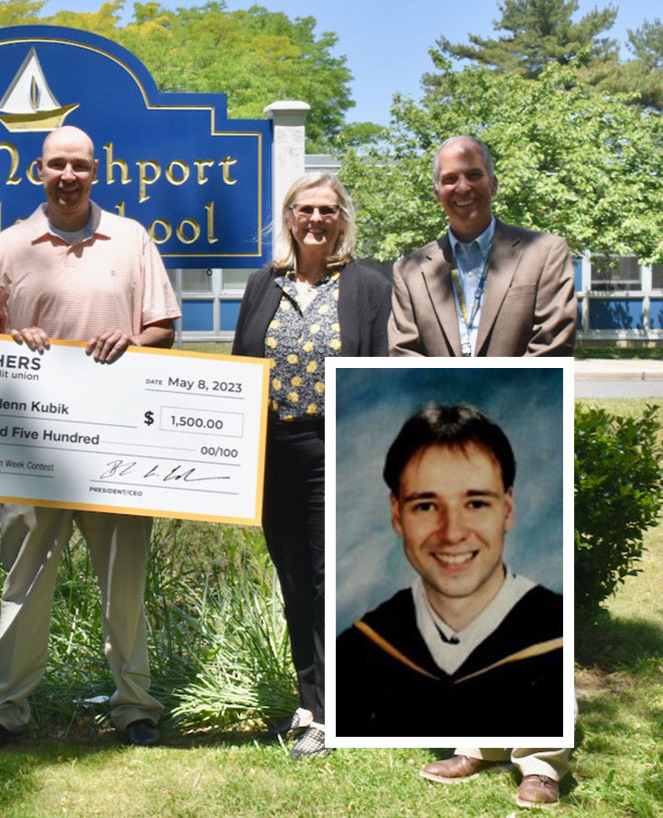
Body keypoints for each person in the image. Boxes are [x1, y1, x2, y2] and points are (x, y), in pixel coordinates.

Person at [0, 125, 180, 756]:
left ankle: (135, 706)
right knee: (23, 582)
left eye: (79, 166)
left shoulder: (132, 240)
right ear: (39, 171)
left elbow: (163, 327)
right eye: (56, 164)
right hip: (32, 450)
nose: (68, 175)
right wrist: (15, 339)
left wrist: (132, 342)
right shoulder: (8, 247)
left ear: (95, 172)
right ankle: (2, 710)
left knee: (125, 580)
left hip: (117, 445)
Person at [231, 172, 391, 758]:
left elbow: (382, 371)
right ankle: (309, 700)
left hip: (336, 447)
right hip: (274, 450)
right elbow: (240, 366)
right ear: (289, 218)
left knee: (330, 579)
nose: (317, 220)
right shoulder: (262, 283)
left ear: (343, 218)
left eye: (328, 210)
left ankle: (331, 708)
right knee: (295, 579)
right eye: (306, 210)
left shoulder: (369, 287)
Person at [336, 403, 566, 808]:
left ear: (507, 508)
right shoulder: (369, 638)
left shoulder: (547, 621)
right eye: (426, 505)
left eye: (475, 503)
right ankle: (477, 746)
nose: (452, 532)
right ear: (397, 514)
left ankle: (540, 763)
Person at [389, 135, 577, 357]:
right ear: (437, 193)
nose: (462, 187)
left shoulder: (545, 253)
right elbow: (403, 352)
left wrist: (487, 391)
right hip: (438, 392)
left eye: (474, 175)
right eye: (450, 179)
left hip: (523, 391)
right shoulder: (409, 270)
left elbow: (552, 345)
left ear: (494, 184)